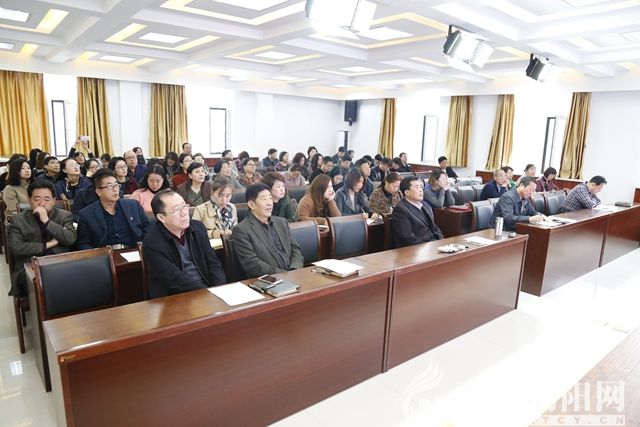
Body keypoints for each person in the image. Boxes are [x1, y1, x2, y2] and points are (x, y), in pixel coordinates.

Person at [143, 189, 226, 298]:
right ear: (161, 217)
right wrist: (206, 293)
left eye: (184, 206)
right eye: (176, 210)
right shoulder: (152, 243)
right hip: (174, 296)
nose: (184, 213)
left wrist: (219, 289)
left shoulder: (198, 228)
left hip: (206, 289)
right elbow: (173, 277)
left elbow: (213, 263)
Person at [8, 180, 76, 297]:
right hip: (30, 265)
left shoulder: (64, 216)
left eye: (47, 199)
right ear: (29, 200)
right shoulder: (18, 220)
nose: (42, 203)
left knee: (78, 276)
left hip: (59, 262)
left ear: (54, 201)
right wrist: (48, 245)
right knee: (46, 281)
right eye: (37, 199)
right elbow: (16, 248)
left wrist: (47, 221)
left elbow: (70, 239)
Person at [233, 183, 304, 277]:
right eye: (264, 199)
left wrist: (295, 269)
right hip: (269, 280)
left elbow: (295, 249)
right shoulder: (242, 230)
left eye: (270, 198)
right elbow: (252, 264)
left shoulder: (282, 222)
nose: (269, 203)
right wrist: (284, 275)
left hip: (294, 273)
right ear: (251, 204)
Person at [76, 169, 150, 250]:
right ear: (99, 192)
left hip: (134, 250)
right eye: (110, 186)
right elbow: (83, 243)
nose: (115, 189)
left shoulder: (133, 205)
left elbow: (147, 228)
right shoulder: (86, 214)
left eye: (116, 185)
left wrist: (143, 248)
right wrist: (97, 256)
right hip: (104, 254)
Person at [391, 176, 444, 247]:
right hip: (415, 249)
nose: (421, 190)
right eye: (417, 187)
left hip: (432, 245)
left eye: (421, 187)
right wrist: (430, 247)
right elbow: (407, 237)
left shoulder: (426, 205)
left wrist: (442, 242)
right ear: (407, 192)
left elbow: (435, 228)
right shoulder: (401, 210)